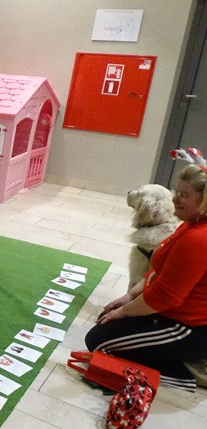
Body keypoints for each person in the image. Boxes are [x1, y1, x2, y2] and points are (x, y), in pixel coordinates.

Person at [86, 162, 207, 390]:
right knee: (106, 323)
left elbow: (164, 296)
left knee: (99, 344)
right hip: (170, 313)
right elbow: (157, 271)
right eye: (176, 192)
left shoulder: (198, 238)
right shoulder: (189, 224)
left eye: (185, 195)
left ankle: (190, 373)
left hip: (188, 328)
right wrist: (129, 297)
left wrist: (124, 311)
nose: (176, 199)